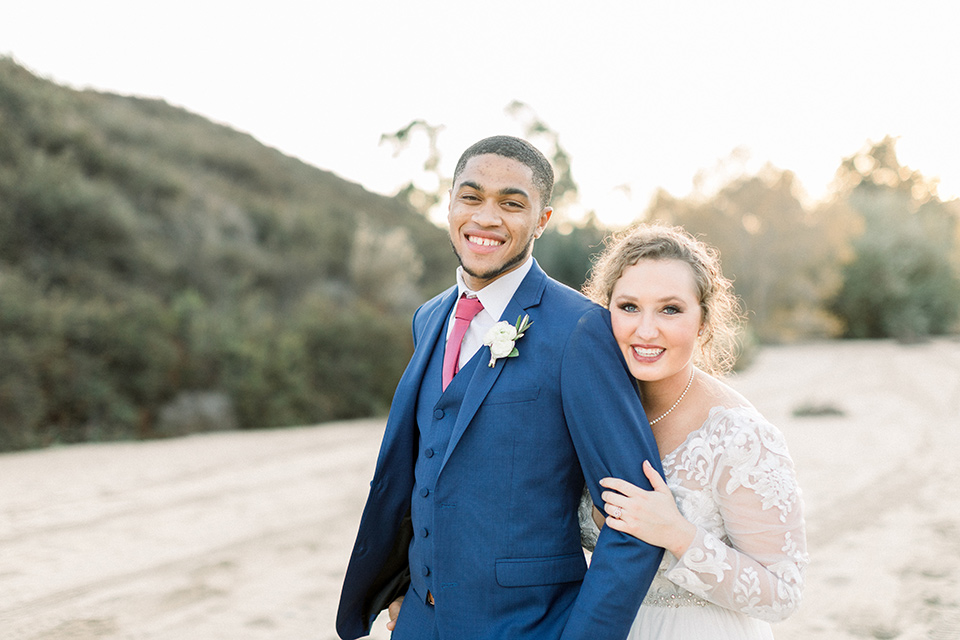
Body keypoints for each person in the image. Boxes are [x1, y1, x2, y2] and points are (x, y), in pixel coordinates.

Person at [336, 136, 664, 640]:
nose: (486, 218)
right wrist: (404, 585)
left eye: (512, 204)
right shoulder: (429, 317)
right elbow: (423, 471)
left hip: (529, 627)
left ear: (542, 220)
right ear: (449, 205)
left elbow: (637, 519)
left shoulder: (580, 331)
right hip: (417, 623)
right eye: (471, 197)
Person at [579, 224, 808, 639]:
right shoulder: (588, 409)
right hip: (605, 623)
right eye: (629, 307)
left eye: (670, 309)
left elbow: (782, 595)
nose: (646, 330)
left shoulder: (740, 436)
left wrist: (677, 534)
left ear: (703, 321)